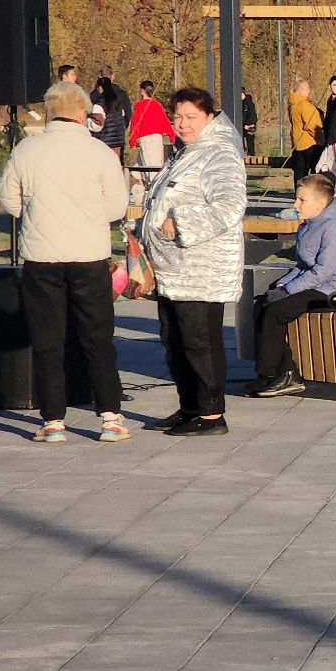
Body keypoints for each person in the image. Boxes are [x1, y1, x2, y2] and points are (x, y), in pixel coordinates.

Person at [0, 80, 131, 443]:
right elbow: (116, 207)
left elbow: (8, 199)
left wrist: (33, 214)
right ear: (83, 113)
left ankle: (53, 420)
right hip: (89, 254)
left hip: (41, 255)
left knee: (47, 340)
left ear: (50, 111)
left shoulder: (27, 150)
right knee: (98, 338)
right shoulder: (99, 152)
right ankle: (110, 417)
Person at [141, 88, 247, 437]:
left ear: (210, 118)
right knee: (175, 341)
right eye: (177, 117)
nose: (182, 124)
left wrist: (181, 221)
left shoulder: (219, 153)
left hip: (201, 268)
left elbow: (230, 206)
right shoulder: (187, 151)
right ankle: (190, 407)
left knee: (200, 342)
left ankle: (212, 414)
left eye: (191, 117)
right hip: (173, 268)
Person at [245, 173, 336, 399]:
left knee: (277, 311)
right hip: (313, 283)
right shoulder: (307, 225)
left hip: (331, 289)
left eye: (302, 200)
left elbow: (323, 271)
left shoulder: (333, 228)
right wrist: (281, 285)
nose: (296, 205)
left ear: (320, 204)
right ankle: (279, 372)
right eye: (296, 199)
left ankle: (274, 373)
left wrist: (288, 290)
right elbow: (302, 265)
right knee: (262, 304)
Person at [128, 81, 172, 170]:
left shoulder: (140, 105)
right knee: (144, 165)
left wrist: (132, 141)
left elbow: (135, 124)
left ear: (142, 91)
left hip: (146, 138)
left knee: (150, 166)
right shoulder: (157, 104)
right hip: (158, 138)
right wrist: (171, 135)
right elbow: (165, 121)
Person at [287, 79, 324, 180]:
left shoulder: (292, 104)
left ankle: (299, 189)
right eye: (307, 88)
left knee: (300, 173)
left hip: (297, 143)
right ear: (300, 90)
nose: (309, 91)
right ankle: (313, 189)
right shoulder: (304, 104)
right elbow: (311, 125)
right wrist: (320, 138)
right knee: (316, 170)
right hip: (310, 143)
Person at [91, 67, 131, 156]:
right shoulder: (121, 94)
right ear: (113, 76)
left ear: (99, 76)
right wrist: (121, 128)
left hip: (100, 138)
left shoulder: (94, 96)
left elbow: (93, 118)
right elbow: (128, 114)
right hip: (118, 138)